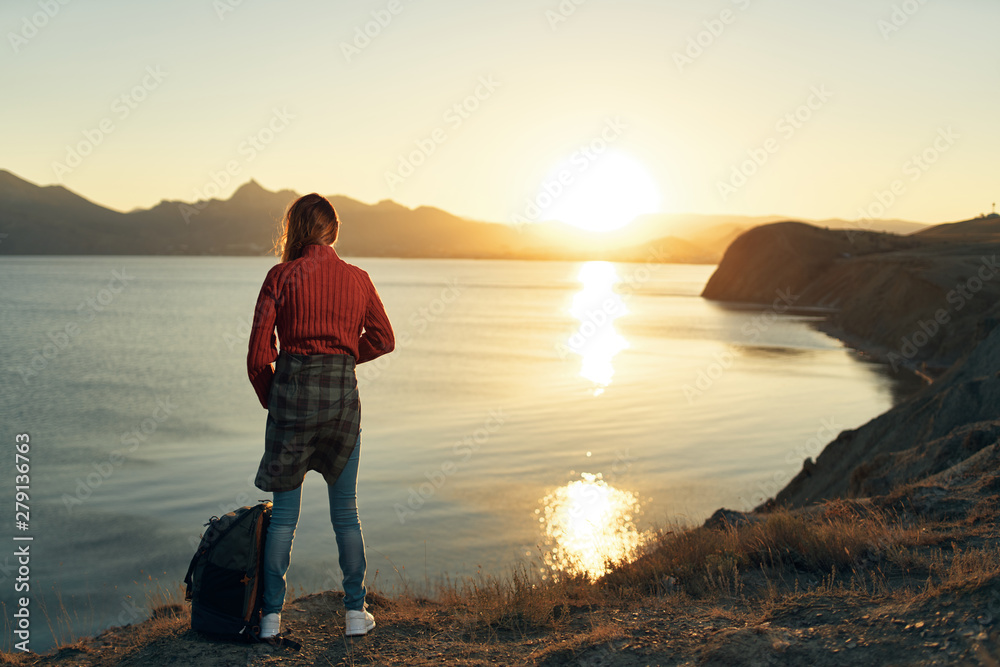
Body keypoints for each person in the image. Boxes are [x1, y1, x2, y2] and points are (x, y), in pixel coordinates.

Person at [246, 193, 395, 640]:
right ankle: (354, 612)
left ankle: (270, 619)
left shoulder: (280, 276)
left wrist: (276, 399)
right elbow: (384, 339)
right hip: (342, 408)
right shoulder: (359, 279)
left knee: (284, 519)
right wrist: (346, 357)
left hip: (291, 407)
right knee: (346, 514)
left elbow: (257, 357)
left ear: (295, 230)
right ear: (332, 231)